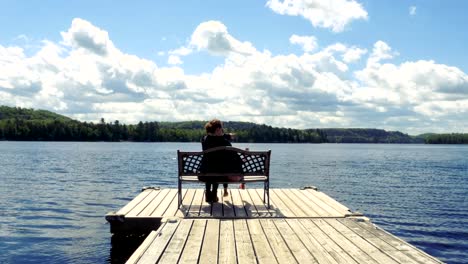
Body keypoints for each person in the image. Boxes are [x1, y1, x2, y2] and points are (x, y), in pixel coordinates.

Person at [200, 119, 238, 203]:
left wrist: (225, 135)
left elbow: (214, 137)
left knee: (210, 166)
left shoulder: (204, 139)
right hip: (221, 173)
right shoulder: (223, 141)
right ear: (217, 130)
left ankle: (208, 193)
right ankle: (214, 194)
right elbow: (231, 151)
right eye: (221, 128)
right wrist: (226, 136)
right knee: (218, 167)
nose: (223, 130)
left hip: (203, 172)